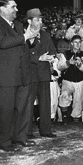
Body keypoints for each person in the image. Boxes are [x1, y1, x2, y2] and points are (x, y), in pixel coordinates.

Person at [0, 0, 38, 151]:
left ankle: (20, 137)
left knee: (22, 108)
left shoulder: (19, 25)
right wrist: (25, 37)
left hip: (22, 75)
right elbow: (2, 42)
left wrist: (32, 38)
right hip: (5, 76)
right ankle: (3, 142)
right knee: (5, 110)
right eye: (13, 7)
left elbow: (24, 46)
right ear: (2, 8)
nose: (17, 10)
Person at [26, 8, 57, 138]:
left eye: (41, 19)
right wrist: (39, 58)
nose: (40, 21)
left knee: (45, 103)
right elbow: (22, 55)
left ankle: (46, 130)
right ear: (29, 21)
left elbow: (52, 50)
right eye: (37, 19)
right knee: (27, 104)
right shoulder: (23, 35)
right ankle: (26, 132)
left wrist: (51, 57)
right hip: (30, 74)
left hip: (44, 73)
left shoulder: (45, 34)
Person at [57, 35, 83, 123]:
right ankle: (65, 117)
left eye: (79, 42)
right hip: (67, 80)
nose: (77, 44)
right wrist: (68, 62)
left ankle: (76, 121)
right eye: (75, 42)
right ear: (71, 43)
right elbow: (59, 67)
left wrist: (80, 65)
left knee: (78, 102)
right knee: (64, 96)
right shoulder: (65, 54)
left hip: (80, 81)